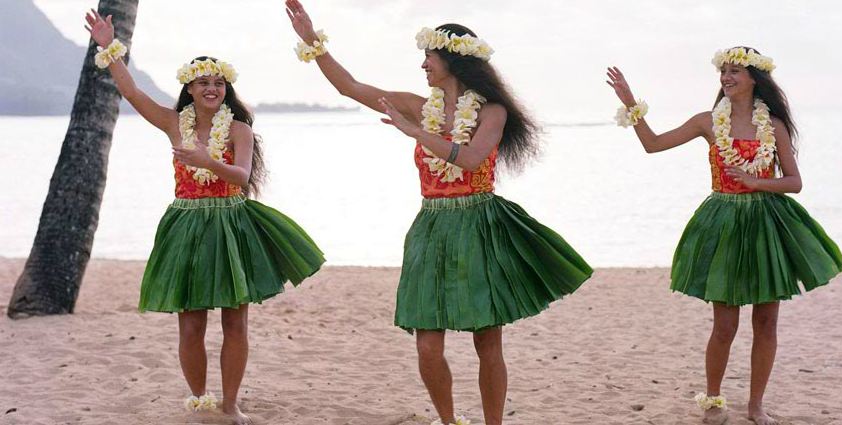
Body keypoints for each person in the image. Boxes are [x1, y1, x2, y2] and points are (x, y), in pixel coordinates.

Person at [284, 2, 592, 424]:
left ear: (451, 59)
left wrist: (416, 132)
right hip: (431, 226)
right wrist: (312, 43)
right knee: (427, 344)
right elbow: (350, 87)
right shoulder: (416, 105)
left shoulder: (491, 112)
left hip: (481, 224)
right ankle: (449, 422)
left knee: (488, 340)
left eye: (428, 56)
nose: (423, 64)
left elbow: (471, 159)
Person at [86, 9, 325, 424]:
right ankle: (198, 398)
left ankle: (231, 404)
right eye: (203, 82)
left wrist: (205, 160)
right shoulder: (172, 123)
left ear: (226, 89)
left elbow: (241, 176)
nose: (211, 88)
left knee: (235, 322)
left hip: (231, 225)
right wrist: (109, 47)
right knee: (191, 325)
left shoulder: (239, 130)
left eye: (218, 82)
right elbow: (133, 93)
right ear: (190, 89)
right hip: (187, 226)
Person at [606, 47, 842, 425]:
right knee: (725, 324)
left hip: (767, 224)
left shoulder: (775, 126)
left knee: (766, 322)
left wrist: (756, 182)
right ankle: (714, 399)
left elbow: (795, 182)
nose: (726, 77)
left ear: (754, 79)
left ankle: (755, 406)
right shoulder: (707, 122)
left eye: (735, 71)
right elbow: (653, 144)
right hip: (724, 225)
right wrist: (631, 103)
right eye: (724, 71)